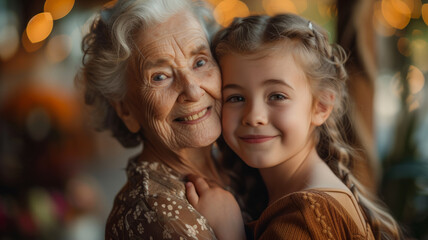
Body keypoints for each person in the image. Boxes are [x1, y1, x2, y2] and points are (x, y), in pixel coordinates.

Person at [186, 14, 403, 239]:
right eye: (236, 98)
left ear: (321, 106)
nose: (253, 117)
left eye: (277, 96)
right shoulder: (279, 196)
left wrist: (229, 233)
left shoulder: (306, 216)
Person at [76, 0, 250, 239]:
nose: (192, 90)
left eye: (199, 62)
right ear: (125, 109)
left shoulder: (239, 157)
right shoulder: (154, 216)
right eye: (160, 77)